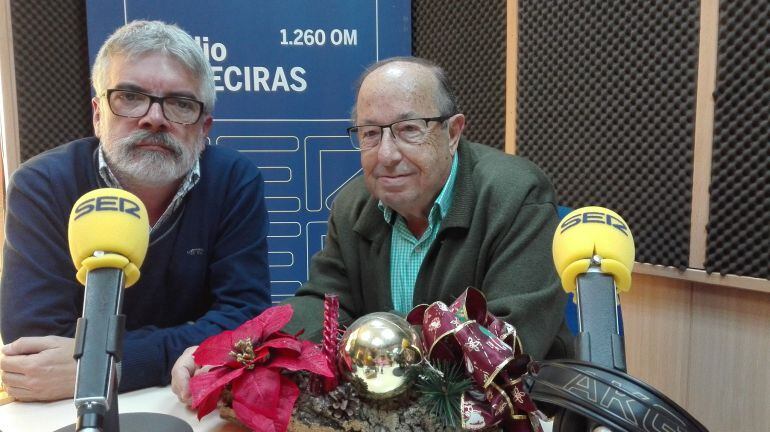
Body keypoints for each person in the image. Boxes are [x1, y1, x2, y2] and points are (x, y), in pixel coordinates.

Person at [171, 56, 571, 404]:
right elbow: (323, 304)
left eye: (409, 129)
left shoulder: (516, 195)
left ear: (453, 133)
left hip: (508, 406)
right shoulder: (353, 205)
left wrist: (375, 351)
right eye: (370, 133)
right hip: (385, 402)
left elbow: (508, 342)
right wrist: (239, 348)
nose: (387, 155)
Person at [0, 20, 271, 401]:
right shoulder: (42, 185)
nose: (154, 118)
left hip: (185, 398)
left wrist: (108, 365)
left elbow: (244, 320)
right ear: (97, 114)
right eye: (129, 96)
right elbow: (33, 347)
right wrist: (186, 341)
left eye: (180, 103)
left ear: (204, 127)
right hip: (68, 407)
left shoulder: (233, 181)